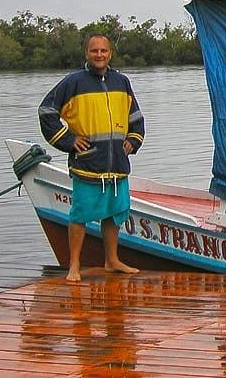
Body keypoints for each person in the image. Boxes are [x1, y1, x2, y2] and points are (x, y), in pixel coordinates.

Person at [39, 34, 145, 282]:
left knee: (114, 212)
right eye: (95, 51)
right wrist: (68, 140)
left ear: (110, 53)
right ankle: (74, 265)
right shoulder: (74, 81)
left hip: (117, 163)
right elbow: (46, 111)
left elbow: (136, 117)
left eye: (104, 51)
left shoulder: (121, 81)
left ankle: (112, 260)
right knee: (80, 215)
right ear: (87, 54)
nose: (99, 55)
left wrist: (133, 140)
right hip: (87, 162)